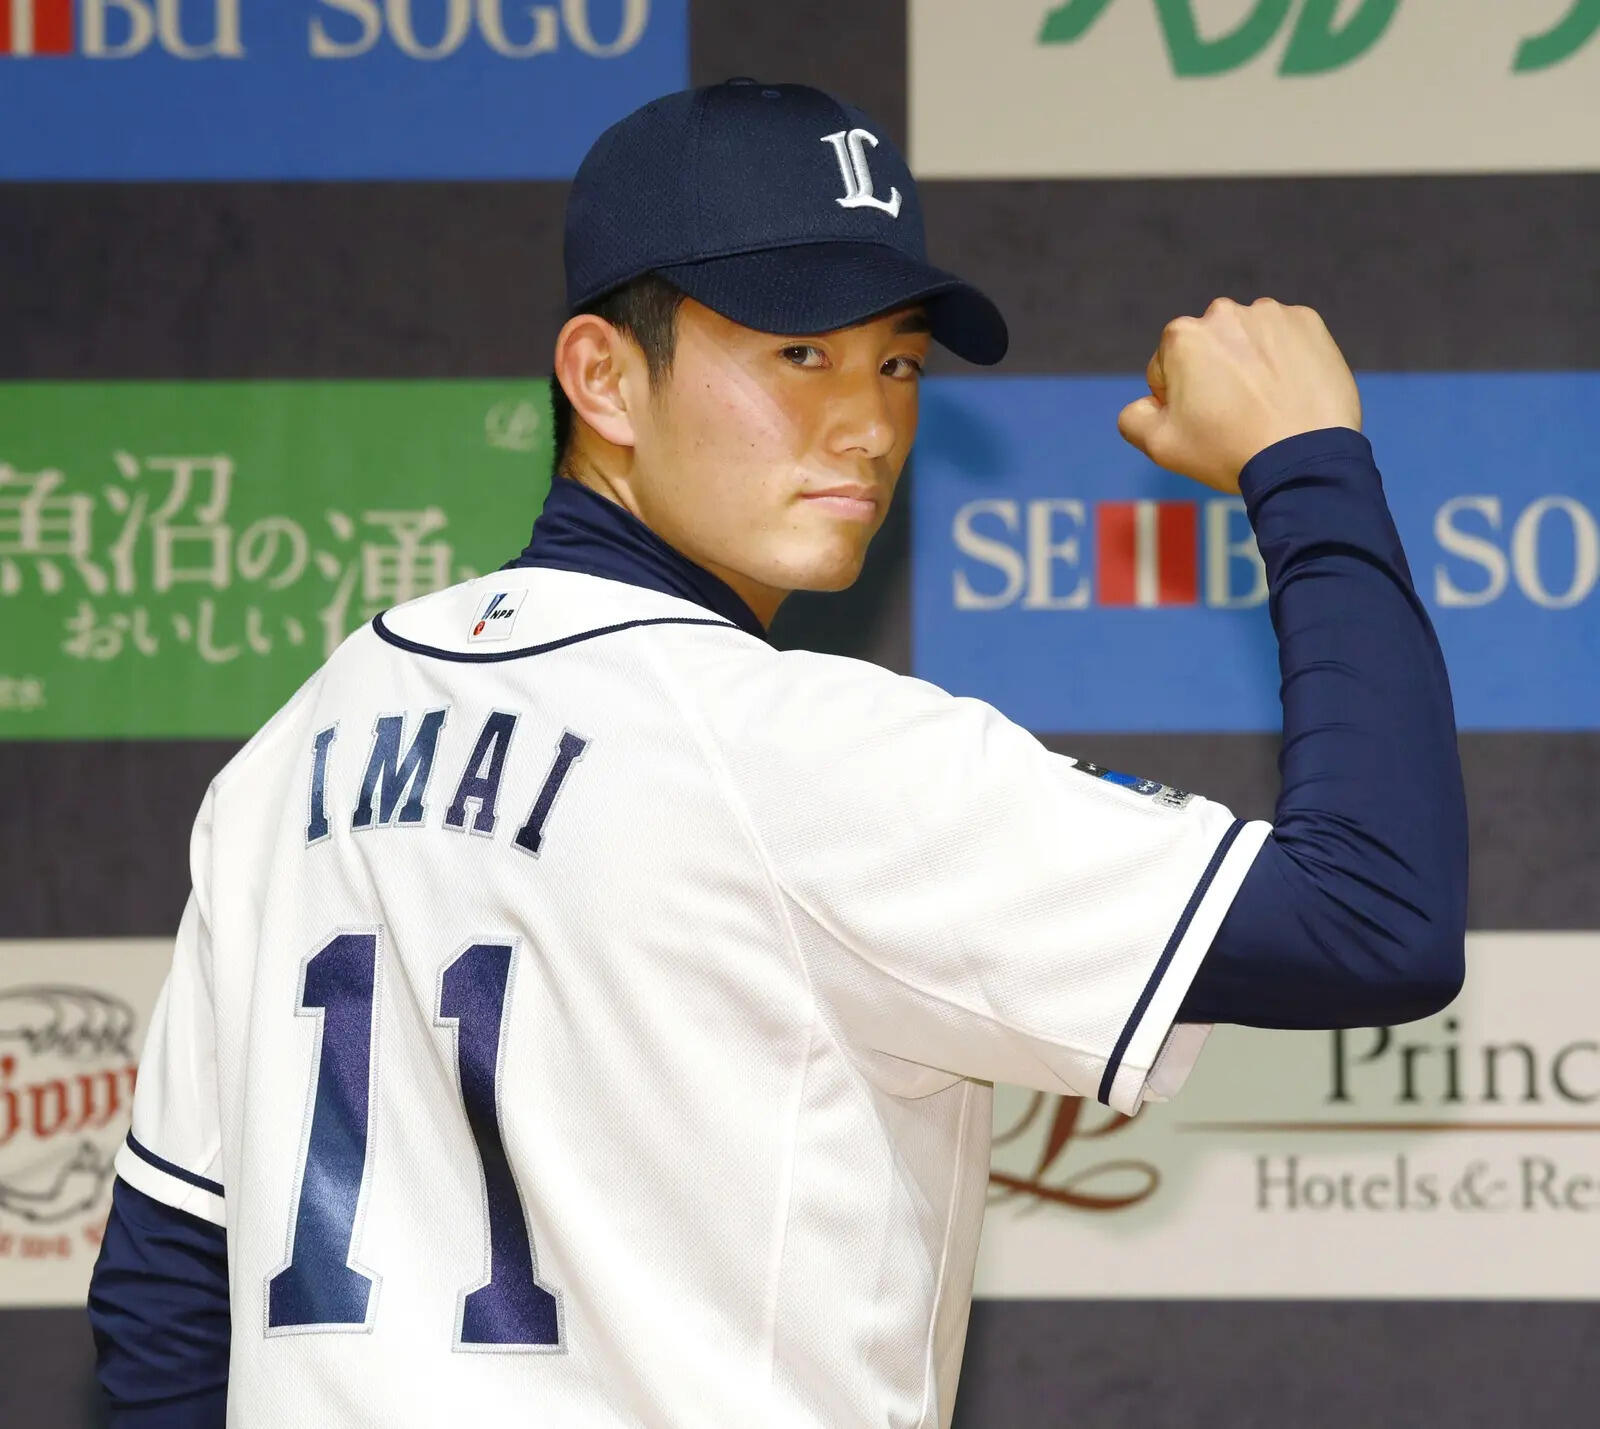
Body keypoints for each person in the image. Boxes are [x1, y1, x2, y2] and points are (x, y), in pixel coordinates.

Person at [87, 79, 1466, 1427]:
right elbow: (1375, 915)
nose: (867, 422)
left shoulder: (298, 743)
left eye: (897, 361)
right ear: (604, 377)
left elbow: (163, 1301)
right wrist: (1309, 464)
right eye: (798, 352)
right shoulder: (800, 752)